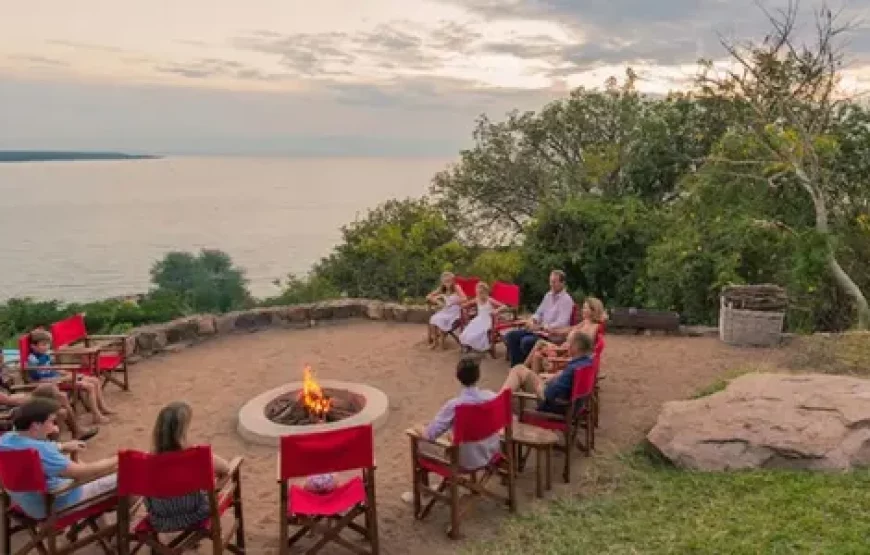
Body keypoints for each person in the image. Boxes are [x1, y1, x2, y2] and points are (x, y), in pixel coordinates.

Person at [401, 357, 501, 503]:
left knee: (420, 442)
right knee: (452, 436)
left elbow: (430, 435)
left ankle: (423, 492)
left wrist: (418, 427)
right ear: (478, 375)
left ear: (458, 377)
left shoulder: (455, 406)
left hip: (463, 461)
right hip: (490, 452)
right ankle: (445, 486)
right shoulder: (492, 397)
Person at [0, 397, 117, 519]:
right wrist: (116, 459)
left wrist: (61, 446)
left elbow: (37, 448)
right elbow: (81, 473)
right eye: (51, 422)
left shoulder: (6, 439)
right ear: (36, 426)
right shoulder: (42, 451)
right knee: (127, 473)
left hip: (26, 502)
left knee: (98, 470)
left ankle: (100, 521)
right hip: (55, 504)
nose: (54, 425)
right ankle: (119, 532)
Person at [146, 401, 232, 532]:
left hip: (160, 520)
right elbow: (226, 469)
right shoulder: (196, 455)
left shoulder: (146, 460)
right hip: (197, 514)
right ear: (182, 433)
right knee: (215, 478)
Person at [27, 330, 114, 424]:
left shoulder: (45, 355)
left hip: (58, 378)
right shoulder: (33, 360)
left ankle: (103, 407)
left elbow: (52, 369)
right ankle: (96, 415)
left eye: (47, 344)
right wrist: (63, 378)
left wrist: (65, 373)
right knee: (90, 386)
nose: (46, 347)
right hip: (53, 383)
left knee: (95, 380)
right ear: (33, 346)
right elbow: (39, 379)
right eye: (43, 345)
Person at [501, 330, 595, 415]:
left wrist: (549, 381)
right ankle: (501, 399)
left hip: (554, 404)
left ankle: (499, 403)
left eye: (569, 342)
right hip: (568, 402)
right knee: (519, 369)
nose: (567, 345)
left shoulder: (573, 369)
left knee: (518, 371)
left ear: (576, 347)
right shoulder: (586, 362)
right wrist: (557, 377)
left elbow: (550, 394)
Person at [503, 270, 575, 366]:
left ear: (562, 283)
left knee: (526, 342)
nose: (551, 284)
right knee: (511, 336)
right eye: (550, 281)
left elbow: (561, 323)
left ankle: (526, 367)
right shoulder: (548, 295)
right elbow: (539, 312)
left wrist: (542, 327)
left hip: (552, 335)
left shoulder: (566, 300)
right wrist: (533, 320)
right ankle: (516, 366)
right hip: (539, 331)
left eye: (554, 282)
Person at [526, 297, 605, 374]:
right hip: (564, 350)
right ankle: (527, 373)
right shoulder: (585, 322)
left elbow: (584, 348)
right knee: (539, 345)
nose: (582, 310)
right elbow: (568, 329)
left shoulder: (594, 327)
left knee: (538, 353)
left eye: (585, 308)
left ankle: (527, 373)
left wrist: (560, 349)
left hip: (569, 355)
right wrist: (552, 331)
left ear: (593, 310)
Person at [0, 380, 98, 440]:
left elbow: (9, 395)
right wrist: (32, 397)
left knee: (60, 402)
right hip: (12, 412)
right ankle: (76, 432)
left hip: (18, 403)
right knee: (59, 403)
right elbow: (9, 401)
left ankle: (76, 432)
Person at [459, 282, 505, 353]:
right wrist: (463, 305)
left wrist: (497, 310)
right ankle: (470, 348)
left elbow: (504, 306)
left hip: (489, 320)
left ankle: (477, 348)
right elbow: (467, 304)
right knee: (467, 333)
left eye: (482, 293)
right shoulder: (477, 299)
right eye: (478, 293)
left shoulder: (490, 300)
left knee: (479, 333)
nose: (480, 295)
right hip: (479, 319)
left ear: (486, 292)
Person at [426, 272, 467, 349]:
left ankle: (442, 343)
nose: (447, 283)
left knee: (441, 320)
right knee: (433, 319)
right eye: (445, 281)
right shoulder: (442, 288)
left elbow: (464, 298)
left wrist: (453, 302)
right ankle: (435, 342)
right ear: (442, 282)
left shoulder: (456, 287)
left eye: (449, 281)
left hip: (455, 311)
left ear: (452, 281)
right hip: (446, 310)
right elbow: (428, 296)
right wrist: (437, 301)